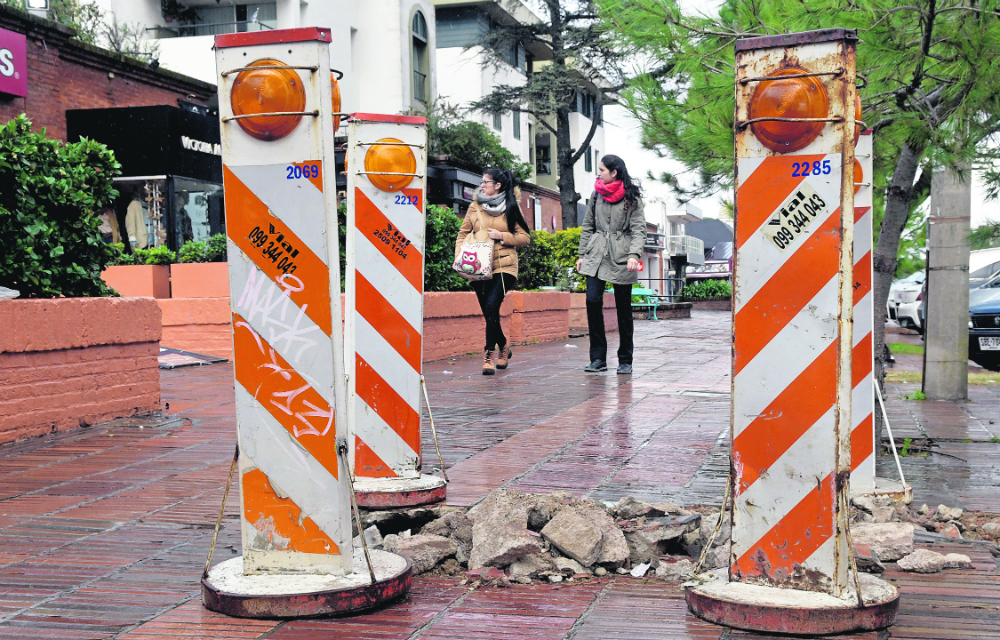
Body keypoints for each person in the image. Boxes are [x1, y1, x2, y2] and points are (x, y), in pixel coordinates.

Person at [455, 169, 531, 375]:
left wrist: (502, 235)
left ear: (497, 185)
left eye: (485, 182)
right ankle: (504, 346)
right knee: (489, 312)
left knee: (491, 306)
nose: (481, 185)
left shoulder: (512, 207)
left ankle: (489, 353)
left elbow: (524, 237)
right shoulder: (474, 207)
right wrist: (458, 255)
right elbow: (462, 234)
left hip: (504, 266)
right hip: (477, 266)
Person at [576, 154, 646, 375]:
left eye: (602, 170)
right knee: (592, 300)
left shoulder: (631, 196)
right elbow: (588, 225)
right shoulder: (597, 194)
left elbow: (638, 229)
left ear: (614, 172)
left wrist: (634, 254)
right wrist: (581, 254)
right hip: (596, 253)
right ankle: (598, 358)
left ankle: (625, 359)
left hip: (622, 255)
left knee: (623, 309)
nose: (599, 173)